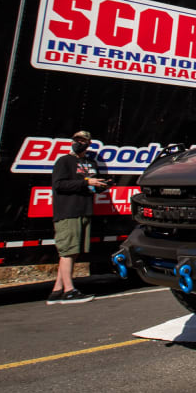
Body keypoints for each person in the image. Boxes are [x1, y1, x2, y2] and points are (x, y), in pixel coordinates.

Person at [48, 130, 108, 304]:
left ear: (89, 143)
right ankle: (69, 291)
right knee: (68, 251)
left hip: (85, 210)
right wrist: (86, 182)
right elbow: (59, 185)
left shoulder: (90, 163)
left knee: (73, 253)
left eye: (83, 140)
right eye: (77, 140)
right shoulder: (64, 161)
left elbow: (92, 184)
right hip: (68, 211)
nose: (79, 143)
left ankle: (57, 291)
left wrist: (100, 186)